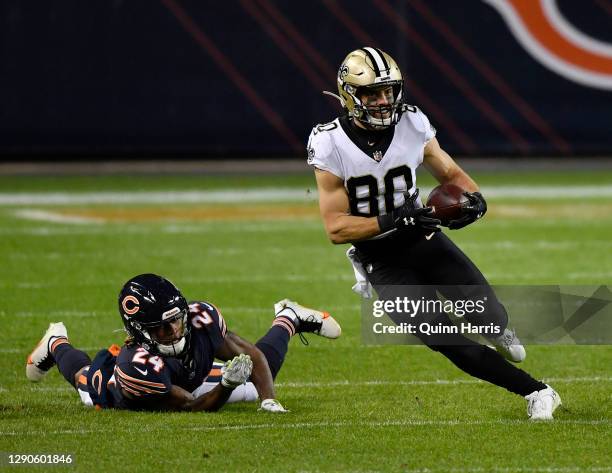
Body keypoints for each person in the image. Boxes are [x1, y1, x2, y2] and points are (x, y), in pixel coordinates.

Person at [307, 47, 561, 420]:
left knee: (487, 315)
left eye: (388, 91)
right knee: (448, 340)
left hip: (424, 238)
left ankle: (499, 328)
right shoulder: (330, 143)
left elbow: (452, 175)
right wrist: (395, 219)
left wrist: (473, 199)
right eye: (372, 94)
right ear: (349, 96)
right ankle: (537, 391)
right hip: (381, 260)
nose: (383, 101)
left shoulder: (412, 123)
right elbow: (336, 227)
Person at [26, 273, 341, 412]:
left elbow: (252, 355)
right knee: (84, 383)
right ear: (140, 329)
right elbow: (191, 405)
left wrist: (268, 401)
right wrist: (227, 387)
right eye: (162, 327)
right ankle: (57, 342)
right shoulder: (135, 367)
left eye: (176, 320)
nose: (175, 331)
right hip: (122, 387)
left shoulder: (199, 319)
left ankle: (288, 317)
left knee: (256, 374)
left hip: (185, 375)